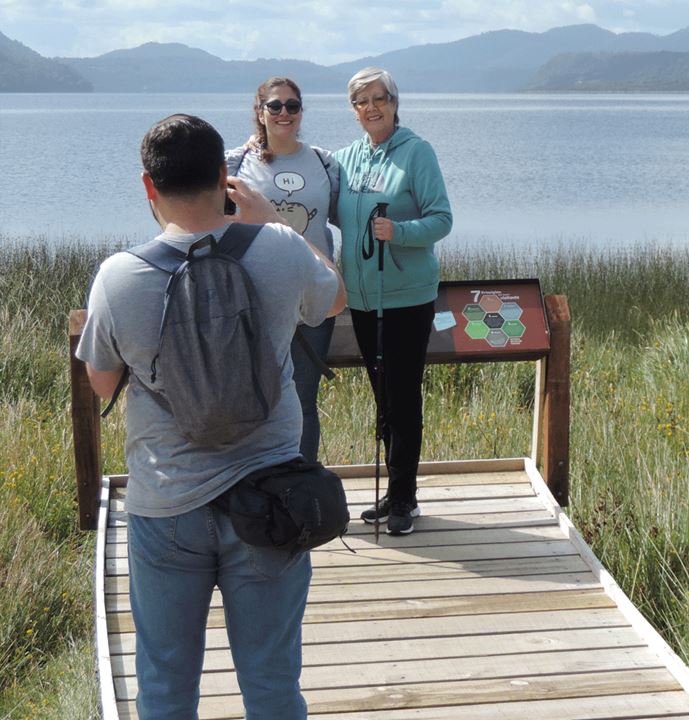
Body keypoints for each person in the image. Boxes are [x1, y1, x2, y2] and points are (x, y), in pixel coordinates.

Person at [76, 114, 345, 719]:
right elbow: (335, 298)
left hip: (167, 502)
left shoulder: (119, 276)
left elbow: (101, 382)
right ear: (224, 177)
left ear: (149, 185)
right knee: (272, 684)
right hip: (273, 498)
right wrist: (274, 221)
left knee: (166, 685)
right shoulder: (278, 249)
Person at [336, 67, 452, 536]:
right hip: (363, 300)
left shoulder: (417, 152)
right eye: (361, 101)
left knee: (403, 398)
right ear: (353, 110)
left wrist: (399, 232)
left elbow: (442, 219)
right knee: (383, 397)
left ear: (395, 102)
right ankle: (396, 490)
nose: (371, 108)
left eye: (379, 98)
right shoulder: (344, 159)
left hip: (407, 298)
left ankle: (405, 497)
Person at [227, 76, 340, 462]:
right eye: (274, 106)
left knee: (304, 399)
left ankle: (302, 486)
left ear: (301, 111)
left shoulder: (325, 162)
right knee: (255, 398)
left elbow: (344, 217)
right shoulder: (235, 162)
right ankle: (261, 484)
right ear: (260, 112)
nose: (284, 113)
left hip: (313, 295)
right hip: (256, 300)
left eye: (292, 106)